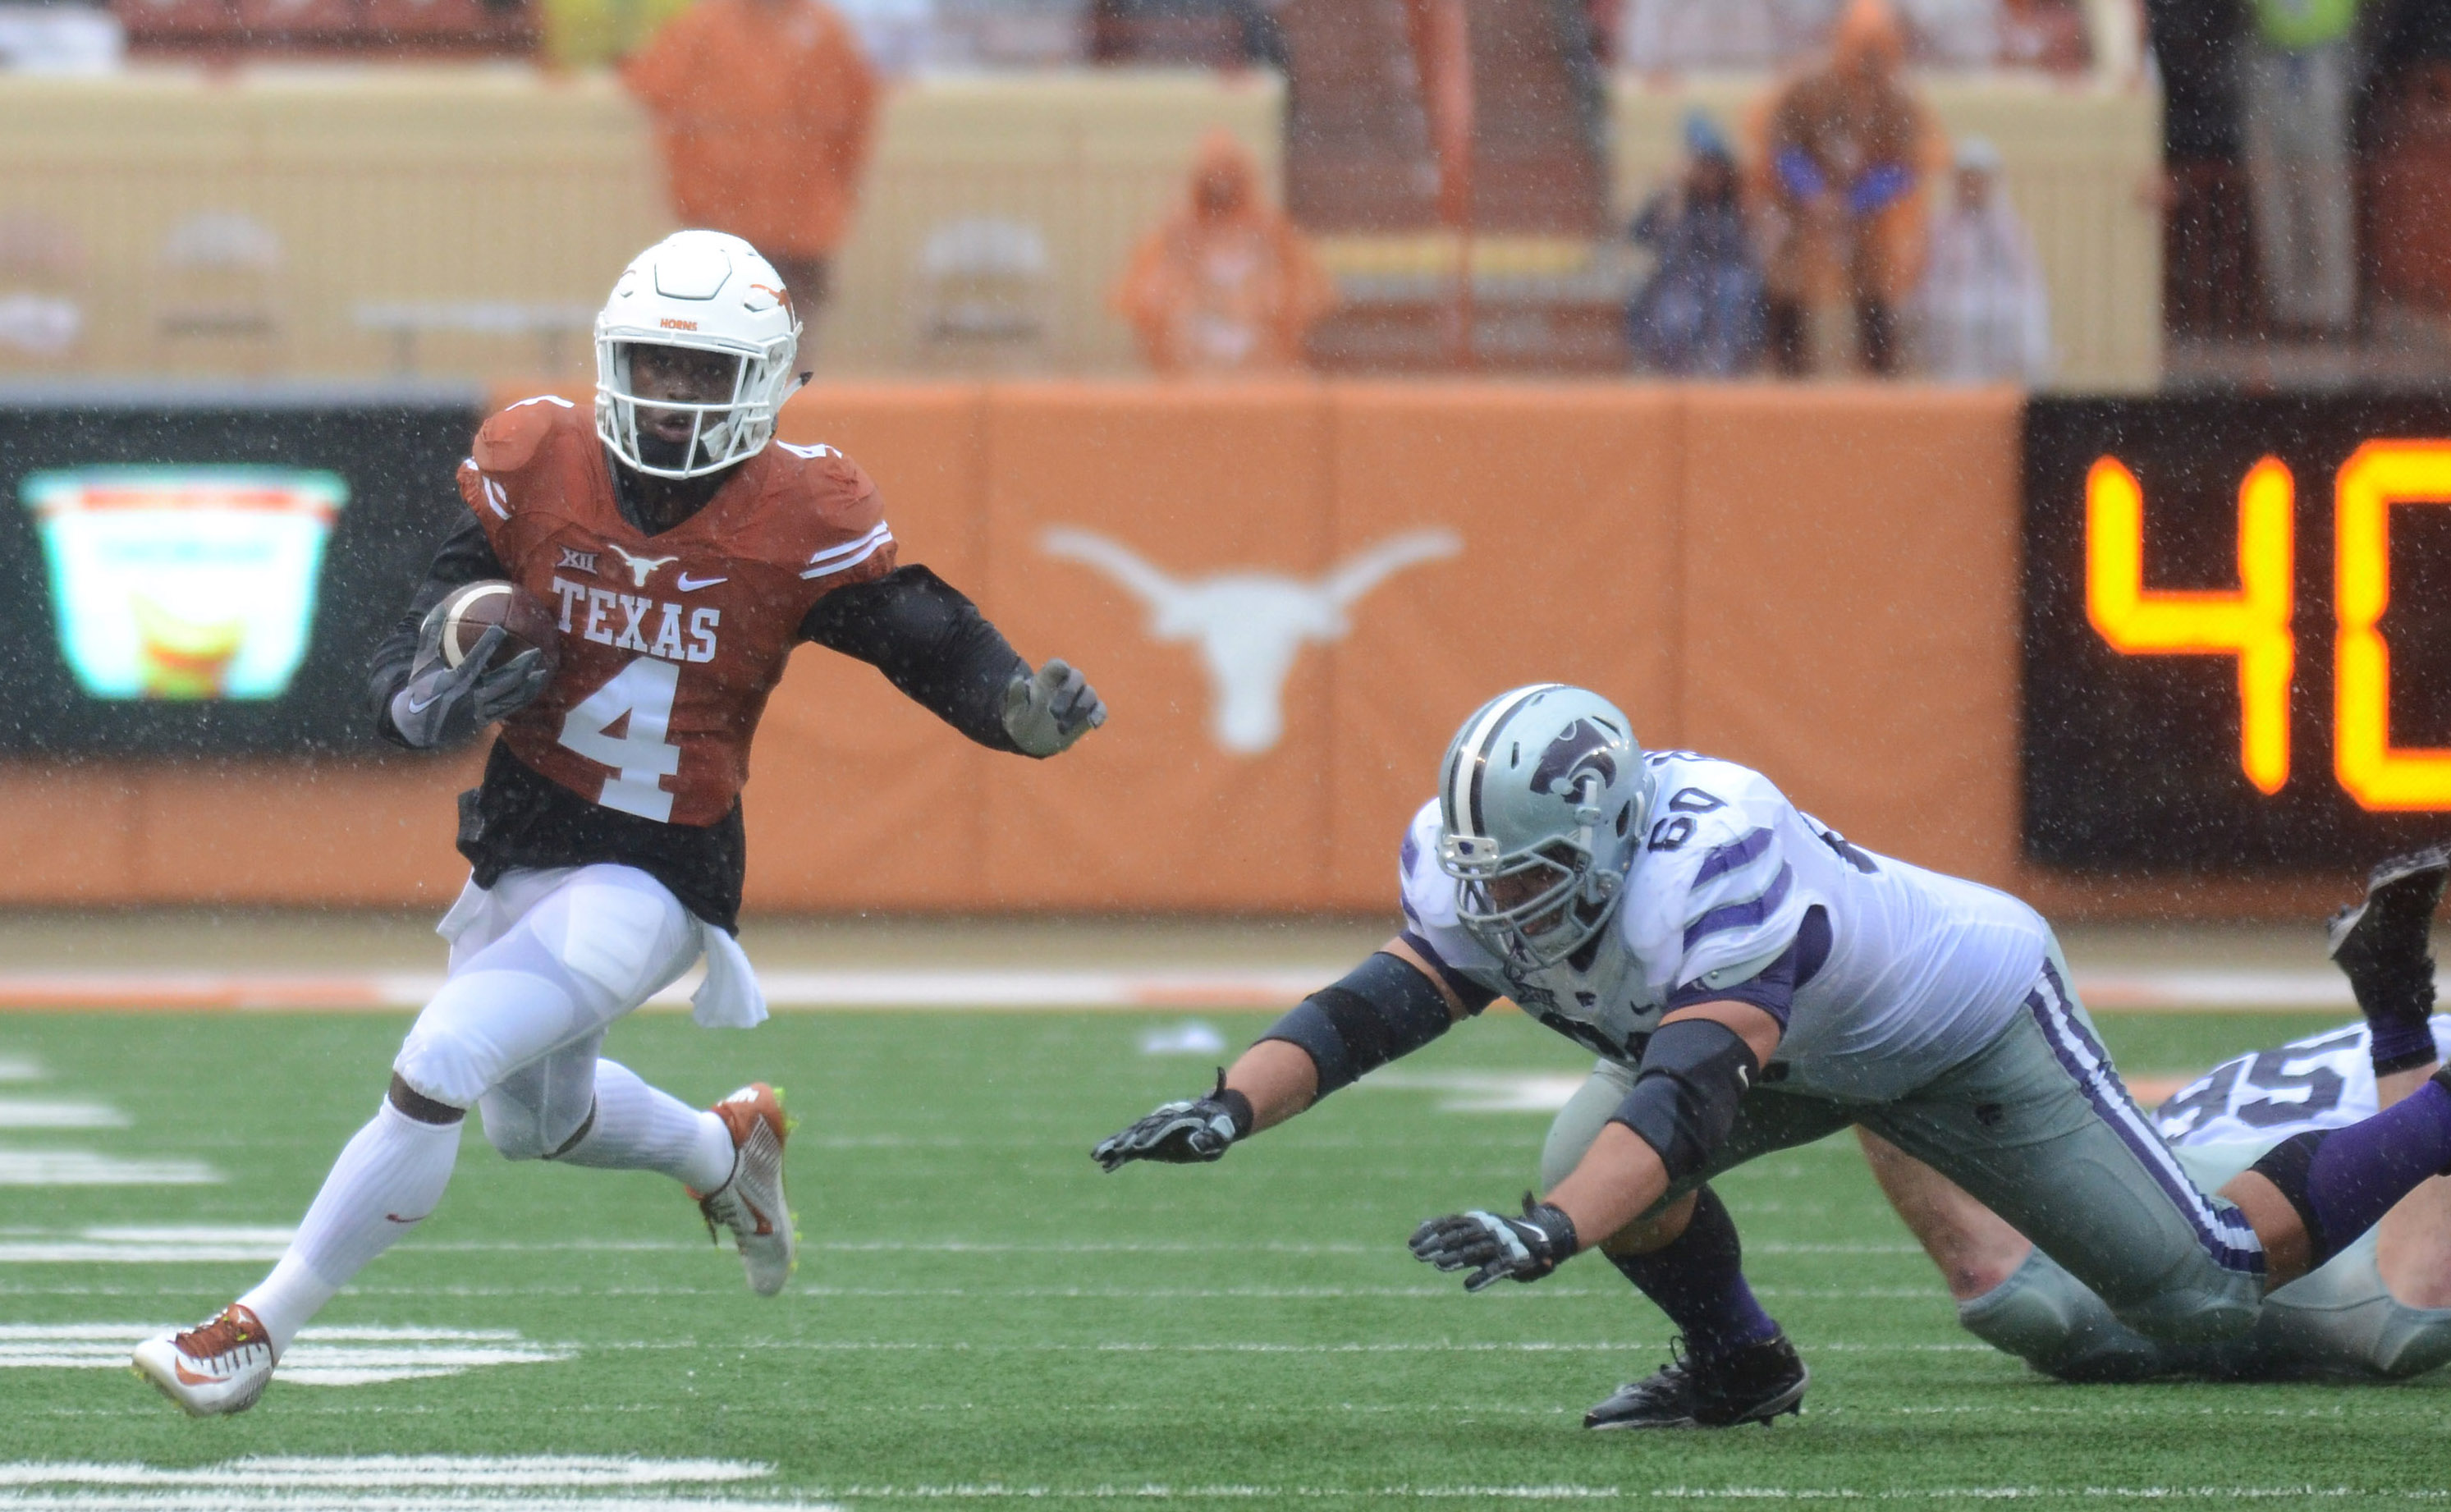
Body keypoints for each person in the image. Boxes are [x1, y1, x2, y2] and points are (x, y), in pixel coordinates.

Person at [131, 230, 1108, 1418]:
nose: (674, 392)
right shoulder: (540, 459)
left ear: (766, 381)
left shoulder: (801, 511)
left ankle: (251, 1331)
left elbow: (923, 634)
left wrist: (1015, 711)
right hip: (522, 834)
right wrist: (425, 687)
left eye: (705, 371)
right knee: (532, 1123)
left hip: (657, 864)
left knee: (439, 1057)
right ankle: (722, 1152)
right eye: (655, 361)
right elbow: (424, 619)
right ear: (609, 356)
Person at [1094, 684, 2451, 1429]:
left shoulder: (1715, 856)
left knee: (2204, 1290)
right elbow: (1385, 1000)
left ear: (1617, 832)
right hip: (1792, 1049)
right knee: (1586, 1146)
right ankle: (1743, 1366)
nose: (1503, 906)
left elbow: (1688, 1099)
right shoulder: (1480, 868)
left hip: (1957, 1024)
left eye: (1537, 877)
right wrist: (1230, 1106)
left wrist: (1550, 1232)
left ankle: (2434, 1103)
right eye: (1488, 880)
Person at [1863, 846, 2451, 1381]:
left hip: (2145, 1204)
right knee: (2411, 1314)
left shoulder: (2268, 1063)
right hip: (2332, 1237)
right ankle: (2397, 1018)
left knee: (2031, 1298)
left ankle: (1864, 992)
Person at [624, 0, 879, 330]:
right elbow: (653, 90)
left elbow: (853, 124)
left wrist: (832, 201)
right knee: (716, 345)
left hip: (800, 232)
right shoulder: (702, 26)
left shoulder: (824, 30)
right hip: (720, 231)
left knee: (789, 347)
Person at [1751, 0, 1940, 377]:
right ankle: (1790, 371)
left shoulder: (1897, 101)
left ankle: (1879, 373)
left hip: (1870, 218)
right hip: (1804, 212)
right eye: (1861, 48)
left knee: (1876, 286)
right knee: (1791, 280)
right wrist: (1815, 195)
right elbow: (1782, 146)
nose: (1868, 61)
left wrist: (1855, 202)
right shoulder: (1808, 89)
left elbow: (1908, 164)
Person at [1112, 131, 1335, 377]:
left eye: (1230, 169)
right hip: (1188, 370)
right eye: (1212, 170)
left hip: (1263, 370)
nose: (1221, 179)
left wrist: (1265, 302)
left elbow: (1311, 296)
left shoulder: (1274, 235)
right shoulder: (1170, 237)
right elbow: (1140, 300)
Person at [2238, 0, 2361, 334]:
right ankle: (2286, 309)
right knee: (2273, 195)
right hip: (2268, 60)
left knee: (2324, 192)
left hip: (2323, 61)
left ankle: (2331, 310)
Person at [1625, 112, 1767, 378]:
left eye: (1716, 169)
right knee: (1677, 310)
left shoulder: (1735, 207)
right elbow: (1638, 235)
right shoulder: (1675, 201)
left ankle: (1723, 375)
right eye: (1704, 168)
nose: (1711, 177)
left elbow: (1749, 250)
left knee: (1734, 294)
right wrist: (1669, 200)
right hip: (1680, 281)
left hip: (1728, 281)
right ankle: (1679, 378)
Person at [1909, 135, 2052, 383]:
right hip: (1951, 300)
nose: (1973, 187)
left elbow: (2025, 275)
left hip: (1999, 301)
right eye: (1967, 180)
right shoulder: (1941, 225)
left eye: (1979, 180)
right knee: (1959, 314)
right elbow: (1928, 273)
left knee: (2027, 311)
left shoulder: (2006, 226)